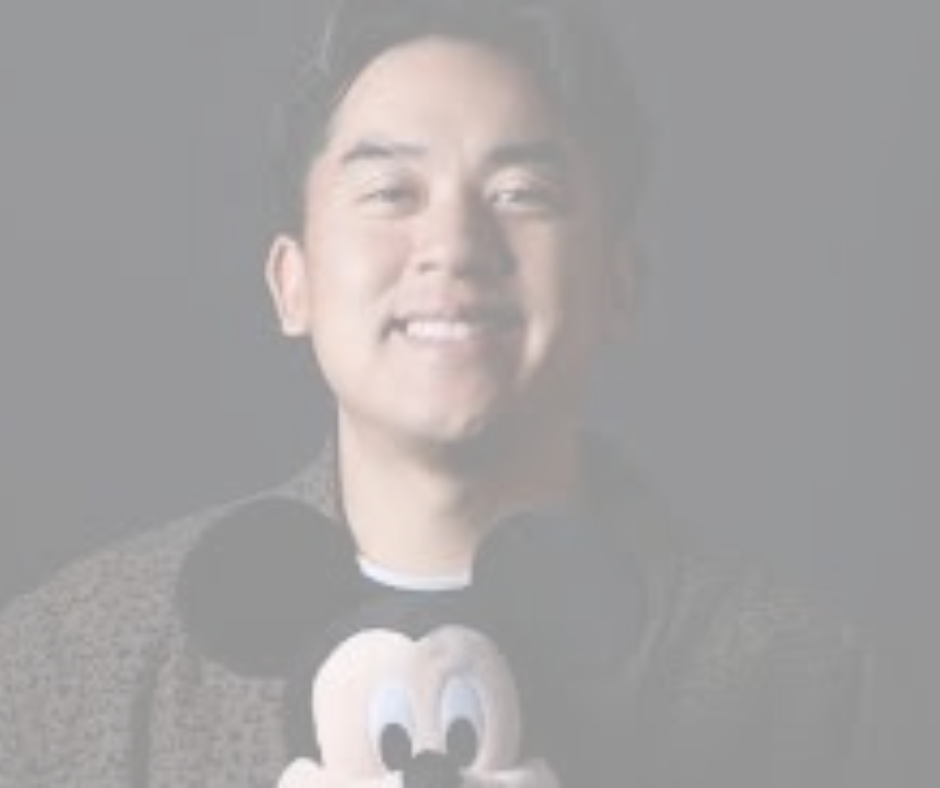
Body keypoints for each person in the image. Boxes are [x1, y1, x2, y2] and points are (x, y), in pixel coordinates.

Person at [0, 0, 872, 786]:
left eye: (522, 193)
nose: (453, 244)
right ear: (292, 283)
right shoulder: (71, 667)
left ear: (620, 284)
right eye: (390, 192)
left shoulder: (808, 682)